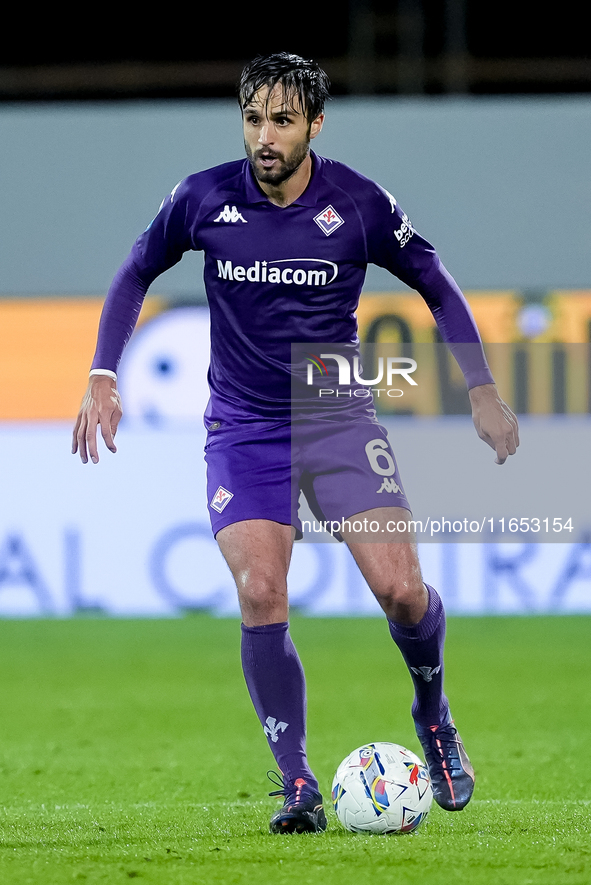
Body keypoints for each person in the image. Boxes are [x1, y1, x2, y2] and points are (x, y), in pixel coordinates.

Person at [73, 52, 519, 835]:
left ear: (315, 123)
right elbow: (134, 270)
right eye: (252, 118)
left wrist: (479, 387)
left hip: (334, 411)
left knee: (403, 593)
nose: (264, 136)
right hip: (243, 422)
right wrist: (103, 371)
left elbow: (437, 285)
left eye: (281, 120)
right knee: (259, 593)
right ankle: (297, 783)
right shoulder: (203, 196)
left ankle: (433, 713)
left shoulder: (357, 203)